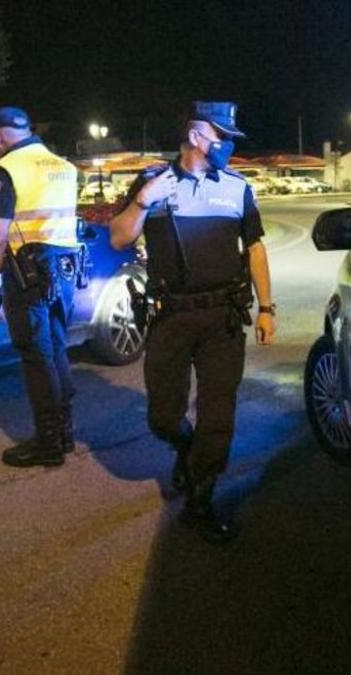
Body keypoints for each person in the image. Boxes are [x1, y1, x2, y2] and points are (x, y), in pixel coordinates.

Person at [109, 101, 275, 543]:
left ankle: (201, 497)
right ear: (197, 134)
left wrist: (267, 307)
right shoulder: (151, 182)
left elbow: (255, 249)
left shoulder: (237, 189)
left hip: (223, 316)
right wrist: (144, 202)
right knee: (163, 416)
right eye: (222, 137)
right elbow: (120, 236)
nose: (227, 147)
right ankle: (186, 447)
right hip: (170, 318)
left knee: (218, 413)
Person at [0, 106, 81, 468]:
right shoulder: (64, 167)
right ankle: (65, 434)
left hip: (28, 276)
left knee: (36, 358)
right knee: (56, 351)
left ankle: (48, 443)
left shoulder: (5, 170)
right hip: (64, 274)